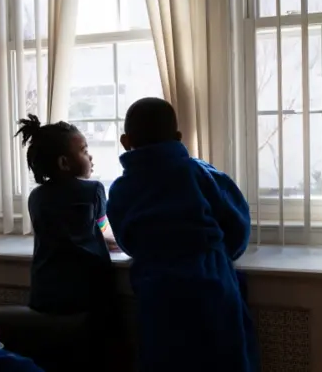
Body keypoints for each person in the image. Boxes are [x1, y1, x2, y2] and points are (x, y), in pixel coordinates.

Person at [106, 98, 259, 372]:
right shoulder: (201, 173)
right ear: (178, 137)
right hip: (210, 283)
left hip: (157, 290)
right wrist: (223, 253)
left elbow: (127, 240)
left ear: (125, 141)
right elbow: (238, 224)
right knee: (224, 357)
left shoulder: (120, 190)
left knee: (164, 359)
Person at [15, 115, 118, 371]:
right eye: (84, 151)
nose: (90, 157)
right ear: (64, 162)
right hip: (87, 293)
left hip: (45, 293)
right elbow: (104, 230)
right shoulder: (93, 190)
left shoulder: (35, 197)